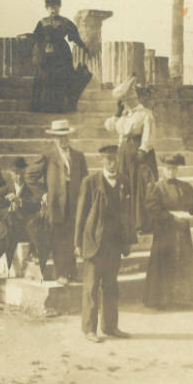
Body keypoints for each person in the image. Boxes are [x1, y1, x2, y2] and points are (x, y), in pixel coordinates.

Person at [74, 145, 136, 343]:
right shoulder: (90, 182)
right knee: (91, 287)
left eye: (115, 159)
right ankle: (89, 330)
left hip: (114, 244)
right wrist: (77, 242)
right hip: (94, 242)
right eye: (108, 159)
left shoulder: (124, 182)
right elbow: (81, 214)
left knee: (111, 286)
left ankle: (110, 327)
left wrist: (128, 240)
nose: (112, 163)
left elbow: (128, 213)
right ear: (101, 160)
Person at [26, 119, 88, 285]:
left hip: (74, 203)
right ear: (54, 137)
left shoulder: (78, 156)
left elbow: (85, 179)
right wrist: (44, 193)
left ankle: (72, 273)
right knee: (58, 237)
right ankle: (60, 273)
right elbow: (30, 177)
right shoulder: (47, 156)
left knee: (72, 237)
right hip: (56, 204)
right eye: (59, 137)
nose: (63, 139)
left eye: (65, 136)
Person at [0, 157, 40, 305]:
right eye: (15, 172)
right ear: (11, 173)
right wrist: (11, 209)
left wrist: (21, 202)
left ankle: (36, 251)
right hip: (7, 230)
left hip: (24, 231)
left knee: (36, 226)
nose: (18, 175)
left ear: (25, 172)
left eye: (21, 172)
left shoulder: (30, 190)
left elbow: (36, 206)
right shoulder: (2, 191)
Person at [104, 75, 158, 233]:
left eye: (126, 101)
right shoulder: (124, 116)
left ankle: (141, 223)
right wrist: (116, 113)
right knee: (125, 186)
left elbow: (149, 136)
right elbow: (109, 127)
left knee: (139, 187)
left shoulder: (145, 114)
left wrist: (142, 151)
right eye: (123, 103)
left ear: (133, 99)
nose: (125, 105)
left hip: (138, 154)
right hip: (124, 154)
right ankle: (126, 222)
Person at [143, 154, 193, 309]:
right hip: (165, 231)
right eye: (168, 169)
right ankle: (162, 299)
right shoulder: (156, 187)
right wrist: (171, 216)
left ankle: (182, 298)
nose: (171, 171)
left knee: (183, 260)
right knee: (163, 263)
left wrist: (186, 214)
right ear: (163, 169)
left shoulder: (186, 187)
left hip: (182, 231)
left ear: (177, 170)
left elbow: (190, 206)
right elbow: (153, 209)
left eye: (174, 169)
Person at [31, 0, 90, 113]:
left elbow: (75, 37)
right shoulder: (42, 22)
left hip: (62, 54)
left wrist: (84, 47)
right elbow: (36, 37)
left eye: (56, 7)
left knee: (61, 79)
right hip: (46, 54)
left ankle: (59, 107)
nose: (53, 9)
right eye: (50, 7)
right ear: (47, 8)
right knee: (45, 78)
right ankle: (44, 107)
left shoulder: (66, 22)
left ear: (59, 7)